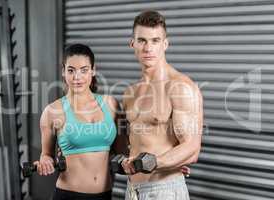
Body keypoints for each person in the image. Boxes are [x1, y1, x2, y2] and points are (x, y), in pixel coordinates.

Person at [121, 10, 203, 200]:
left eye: (155, 40)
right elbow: (135, 143)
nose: (148, 48)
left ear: (165, 44)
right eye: (142, 40)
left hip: (164, 190)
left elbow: (191, 148)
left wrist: (158, 162)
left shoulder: (180, 87)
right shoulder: (130, 93)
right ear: (132, 44)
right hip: (132, 191)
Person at [34, 43, 126, 200]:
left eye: (84, 70)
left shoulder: (111, 105)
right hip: (68, 195)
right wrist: (45, 162)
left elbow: (122, 154)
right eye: (71, 70)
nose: (77, 77)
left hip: (105, 195)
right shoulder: (52, 111)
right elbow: (46, 154)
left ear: (93, 70)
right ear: (63, 72)